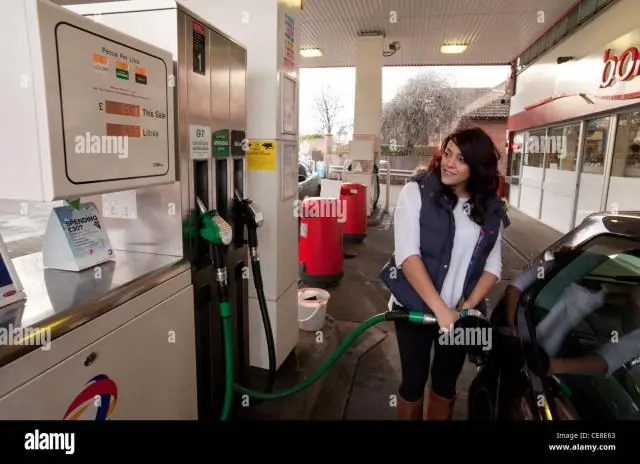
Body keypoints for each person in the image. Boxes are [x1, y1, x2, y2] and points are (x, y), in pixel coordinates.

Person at [379, 127, 510, 420]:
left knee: (446, 383)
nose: (449, 163)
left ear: (477, 167)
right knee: (413, 383)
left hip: (459, 315)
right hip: (414, 310)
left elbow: (493, 267)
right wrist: (441, 311)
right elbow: (407, 257)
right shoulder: (417, 191)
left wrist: (465, 308)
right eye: (447, 153)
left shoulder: (490, 207)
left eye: (461, 159)